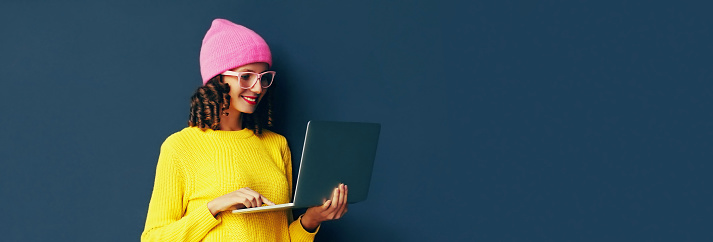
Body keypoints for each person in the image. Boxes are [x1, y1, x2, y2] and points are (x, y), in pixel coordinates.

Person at [141, 18, 348, 242]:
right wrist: (214, 207)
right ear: (217, 78)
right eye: (246, 76)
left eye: (264, 77)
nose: (258, 88)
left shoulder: (276, 144)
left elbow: (282, 235)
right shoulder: (180, 147)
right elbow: (153, 238)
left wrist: (310, 221)